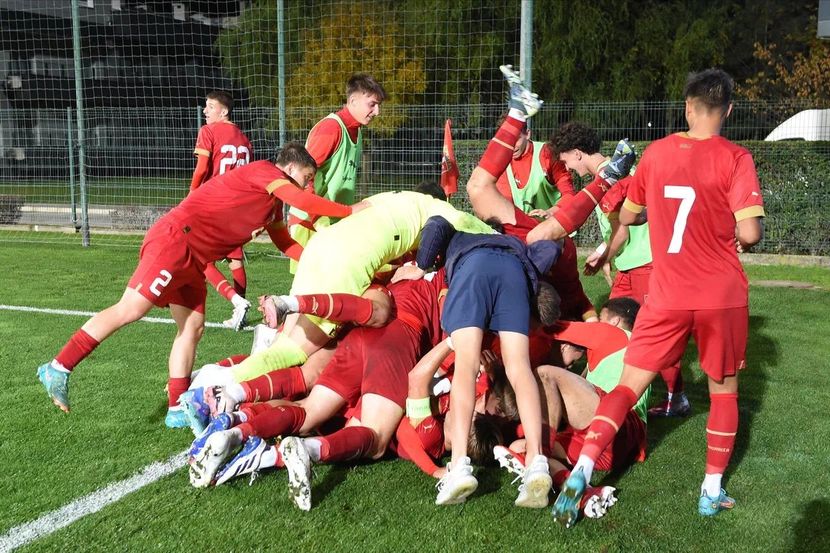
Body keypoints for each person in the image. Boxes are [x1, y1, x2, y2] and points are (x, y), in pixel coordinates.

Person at [551, 69, 765, 526]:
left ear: (687, 107)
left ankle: (585, 464)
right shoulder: (736, 157)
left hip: (665, 293)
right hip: (721, 294)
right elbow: (749, 232)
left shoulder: (657, 153)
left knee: (628, 386)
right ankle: (710, 491)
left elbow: (631, 214)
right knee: (723, 391)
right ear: (728, 109)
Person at [36, 142, 360, 428]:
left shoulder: (272, 205)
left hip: (194, 258)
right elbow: (296, 196)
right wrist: (349, 212)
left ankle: (176, 407)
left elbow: (284, 241)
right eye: (307, 177)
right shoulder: (264, 172)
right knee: (131, 309)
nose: (309, 186)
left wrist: (319, 262)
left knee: (192, 326)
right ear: (290, 167)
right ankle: (58, 367)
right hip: (175, 241)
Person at [182, 188, 496, 401]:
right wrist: (423, 265)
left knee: (283, 342)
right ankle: (213, 385)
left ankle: (216, 375)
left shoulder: (397, 198)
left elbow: (369, 221)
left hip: (321, 247)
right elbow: (444, 227)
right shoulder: (451, 216)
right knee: (294, 352)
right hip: (344, 265)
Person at [405, 213, 562, 508]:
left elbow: (437, 223)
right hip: (514, 272)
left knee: (466, 364)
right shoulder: (510, 242)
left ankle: (459, 466)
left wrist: (422, 264)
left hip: (471, 268)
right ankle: (536, 461)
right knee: (519, 367)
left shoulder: (461, 233)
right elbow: (551, 248)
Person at [553, 121, 690, 416]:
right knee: (610, 328)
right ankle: (601, 387)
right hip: (631, 266)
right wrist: (608, 253)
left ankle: (674, 396)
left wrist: (604, 255)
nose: (569, 169)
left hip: (646, 265)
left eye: (566, 161)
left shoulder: (608, 180)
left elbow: (623, 231)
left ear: (577, 154)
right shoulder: (618, 170)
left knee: (651, 332)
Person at [288, 74, 386, 272]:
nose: (377, 111)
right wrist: (320, 221)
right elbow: (304, 178)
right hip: (311, 223)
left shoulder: (356, 130)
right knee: (310, 291)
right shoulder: (331, 129)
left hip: (333, 220)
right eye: (372, 104)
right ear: (353, 101)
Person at [189, 91, 255, 331]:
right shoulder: (244, 138)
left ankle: (236, 301)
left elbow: (202, 168)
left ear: (224, 111)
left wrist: (191, 194)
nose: (205, 111)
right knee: (235, 259)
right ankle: (240, 312)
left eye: (210, 106)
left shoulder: (208, 131)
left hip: (214, 204)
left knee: (199, 257)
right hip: (238, 207)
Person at [494, 114, 575, 216]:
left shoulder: (547, 154)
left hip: (557, 226)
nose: (511, 146)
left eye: (516, 139)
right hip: (527, 229)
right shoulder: (502, 162)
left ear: (527, 134)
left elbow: (569, 194)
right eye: (507, 140)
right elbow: (506, 205)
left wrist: (550, 212)